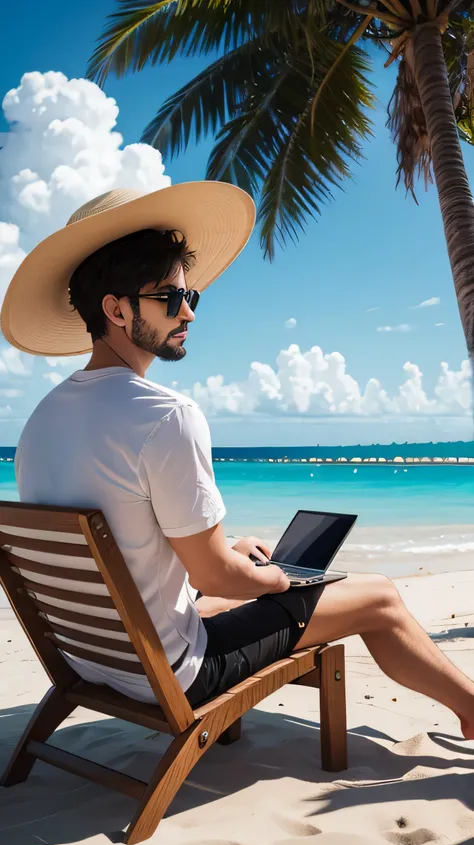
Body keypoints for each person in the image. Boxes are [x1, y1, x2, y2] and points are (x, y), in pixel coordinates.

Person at [3, 182, 474, 739]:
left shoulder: (39, 423)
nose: (190, 315)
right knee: (380, 596)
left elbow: (140, 552)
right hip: (175, 672)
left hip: (94, 658)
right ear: (117, 309)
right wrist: (277, 579)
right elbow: (211, 575)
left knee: (237, 571)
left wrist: (230, 558)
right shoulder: (166, 416)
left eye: (192, 298)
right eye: (172, 299)